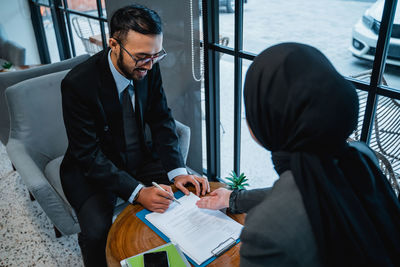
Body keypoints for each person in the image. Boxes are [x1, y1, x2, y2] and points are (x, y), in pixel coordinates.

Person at [196, 43, 400, 266]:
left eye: (251, 110)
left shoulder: (266, 230)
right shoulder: (361, 156)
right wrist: (232, 198)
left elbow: (294, 201)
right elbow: (309, 189)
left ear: (269, 120)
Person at [60, 4, 209, 267]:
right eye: (142, 57)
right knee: (96, 234)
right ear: (114, 44)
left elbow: (162, 118)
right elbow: (88, 154)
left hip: (139, 156)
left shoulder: (147, 64)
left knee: (185, 199)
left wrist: (177, 171)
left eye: (156, 55)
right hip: (92, 169)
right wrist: (138, 193)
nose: (150, 66)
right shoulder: (77, 84)